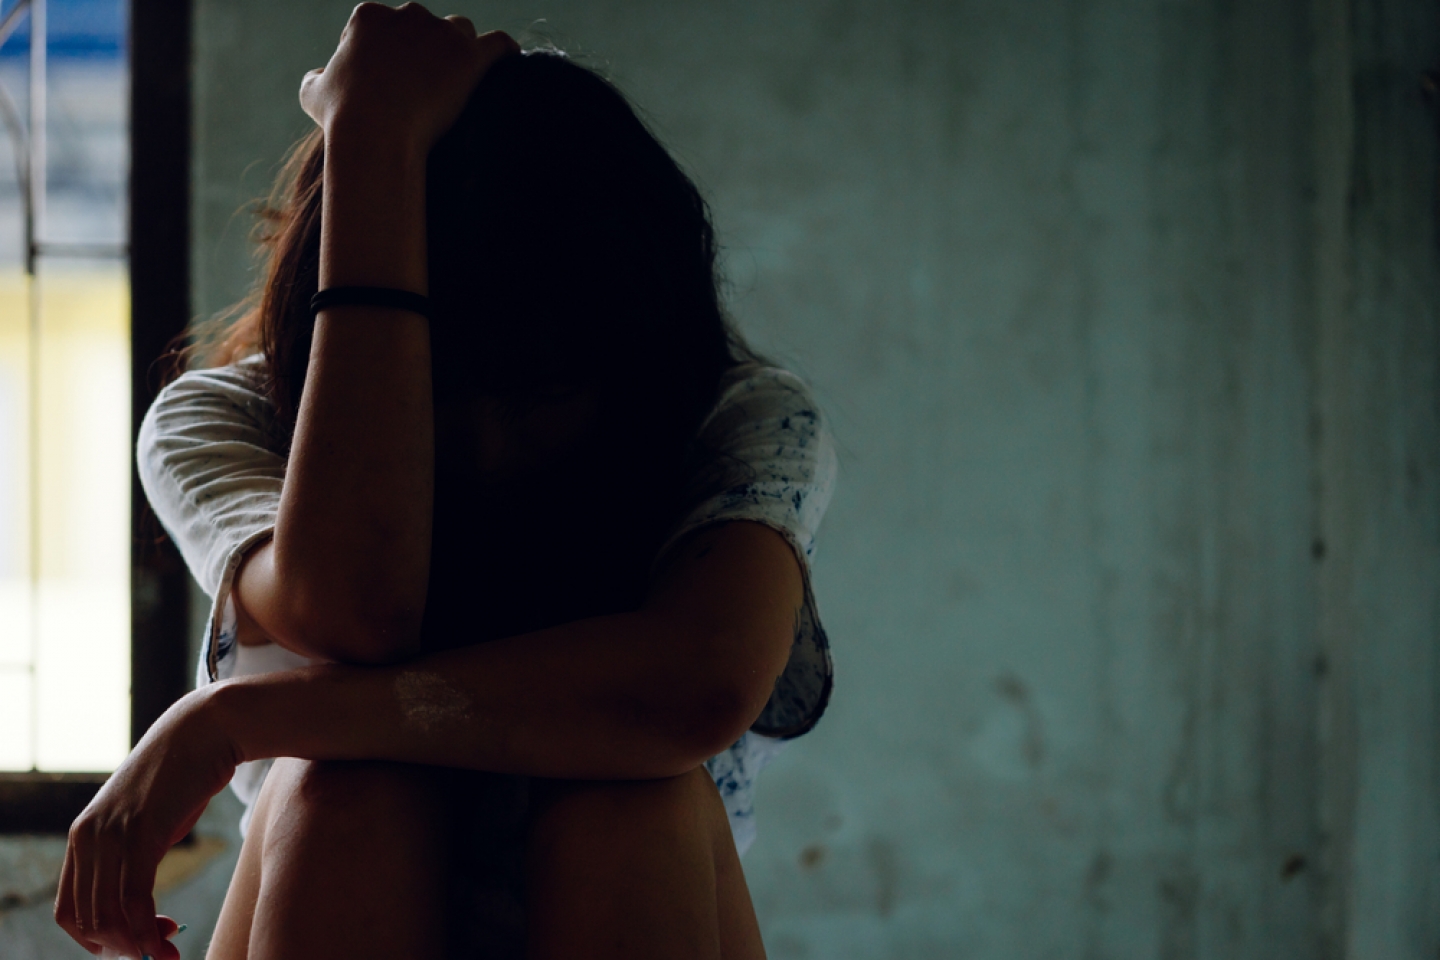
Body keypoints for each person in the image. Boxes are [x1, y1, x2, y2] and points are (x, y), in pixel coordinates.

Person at [54, 5, 835, 959]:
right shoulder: (227, 419)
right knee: (344, 791)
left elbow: (694, 691)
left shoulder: (732, 412)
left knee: (635, 799)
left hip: (638, 884)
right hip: (333, 878)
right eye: (444, 394)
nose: (487, 444)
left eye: (538, 393)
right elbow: (354, 611)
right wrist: (368, 143)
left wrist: (239, 716)